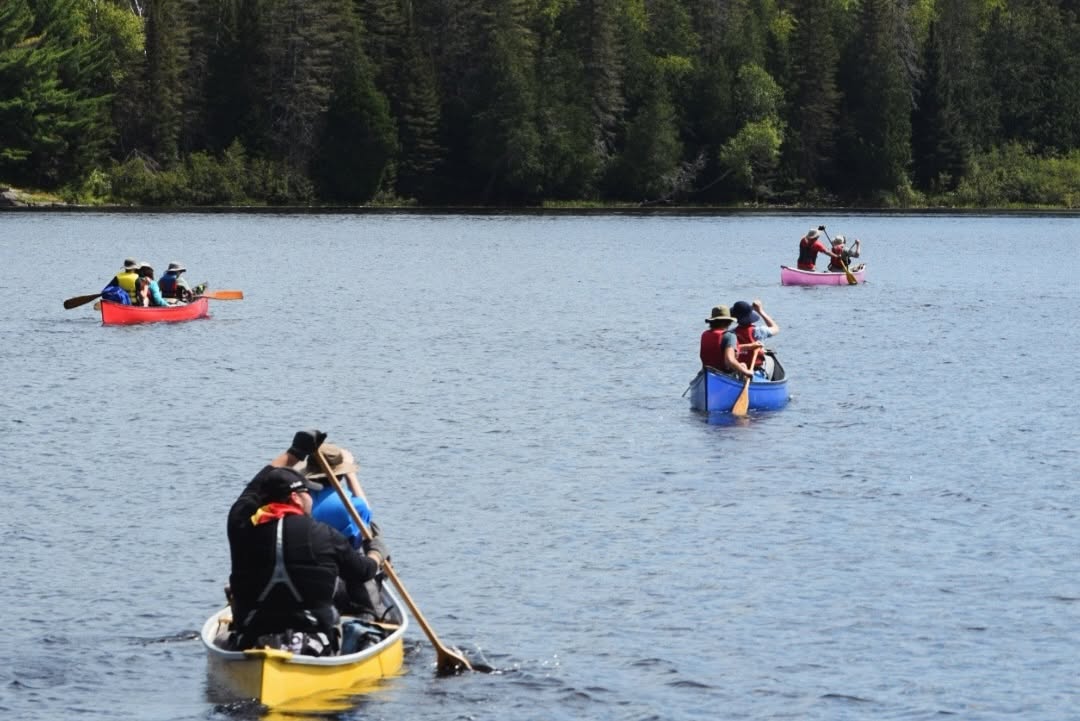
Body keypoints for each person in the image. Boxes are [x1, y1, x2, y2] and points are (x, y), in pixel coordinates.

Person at [226, 429, 389, 656]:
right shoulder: (326, 535)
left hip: (252, 639)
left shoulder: (241, 525)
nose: (310, 497)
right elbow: (363, 571)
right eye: (306, 492)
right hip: (312, 644)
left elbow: (253, 488)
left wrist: (294, 453)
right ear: (295, 498)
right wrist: (377, 553)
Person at [700, 305, 754, 379]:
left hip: (708, 374)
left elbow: (721, 348)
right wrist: (746, 372)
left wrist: (751, 346)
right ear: (728, 322)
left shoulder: (705, 334)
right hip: (725, 375)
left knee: (742, 365)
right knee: (743, 365)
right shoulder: (729, 336)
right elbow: (729, 360)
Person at [731, 299, 780, 379]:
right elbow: (775, 328)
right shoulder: (758, 331)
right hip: (754, 370)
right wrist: (760, 311)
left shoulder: (731, 333)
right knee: (770, 360)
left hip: (738, 370)